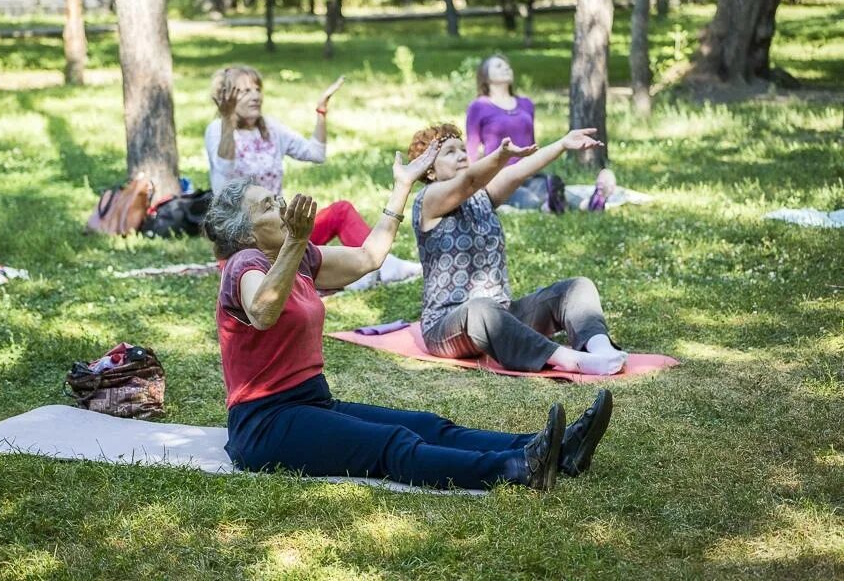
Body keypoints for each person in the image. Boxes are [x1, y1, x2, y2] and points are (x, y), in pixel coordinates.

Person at [202, 145, 614, 491]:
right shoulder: (245, 264)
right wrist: (295, 240)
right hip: (264, 425)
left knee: (427, 425)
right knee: (391, 444)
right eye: (267, 207)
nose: (281, 204)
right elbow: (262, 311)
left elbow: (368, 257)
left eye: (275, 197)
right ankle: (519, 468)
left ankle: (560, 450)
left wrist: (401, 187)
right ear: (246, 234)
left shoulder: (300, 256)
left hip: (311, 401)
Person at [409, 123, 629, 376]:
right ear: (430, 172)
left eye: (462, 148)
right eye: (449, 152)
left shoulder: (481, 197)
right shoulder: (428, 200)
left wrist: (561, 144)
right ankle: (571, 360)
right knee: (479, 308)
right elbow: (469, 181)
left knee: (577, 287)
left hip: (502, 316)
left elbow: (517, 172)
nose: (461, 154)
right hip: (448, 327)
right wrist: (501, 155)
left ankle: (601, 349)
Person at [205, 65, 421, 289]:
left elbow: (315, 154)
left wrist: (321, 111)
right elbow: (225, 167)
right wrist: (227, 120)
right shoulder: (216, 130)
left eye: (257, 89)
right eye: (244, 91)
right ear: (226, 97)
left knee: (341, 211)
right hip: (247, 239)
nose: (255, 96)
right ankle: (347, 277)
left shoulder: (270, 129)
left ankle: (384, 265)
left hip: (282, 228)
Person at [466, 54, 614, 212]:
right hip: (501, 176)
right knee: (526, 197)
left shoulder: (526, 104)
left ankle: (592, 203)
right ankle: (549, 206)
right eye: (498, 66)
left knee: (552, 189)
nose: (506, 68)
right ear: (485, 76)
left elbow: (532, 143)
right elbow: (471, 149)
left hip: (530, 171)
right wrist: (472, 184)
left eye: (507, 65)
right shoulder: (478, 106)